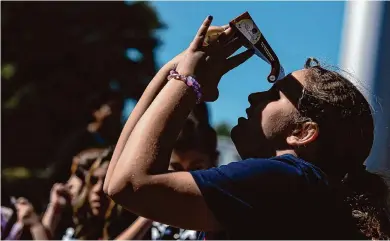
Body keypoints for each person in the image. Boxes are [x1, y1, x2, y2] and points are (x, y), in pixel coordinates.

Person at [104, 16, 389, 239]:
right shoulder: (298, 186)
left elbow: (129, 184)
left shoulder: (286, 177)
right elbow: (114, 181)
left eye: (275, 94)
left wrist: (186, 81)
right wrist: (173, 73)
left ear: (302, 132)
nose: (255, 96)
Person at [115, 107, 219, 240]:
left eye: (196, 169)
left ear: (214, 162)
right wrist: (150, 213)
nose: (185, 178)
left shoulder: (217, 213)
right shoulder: (140, 204)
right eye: (176, 168)